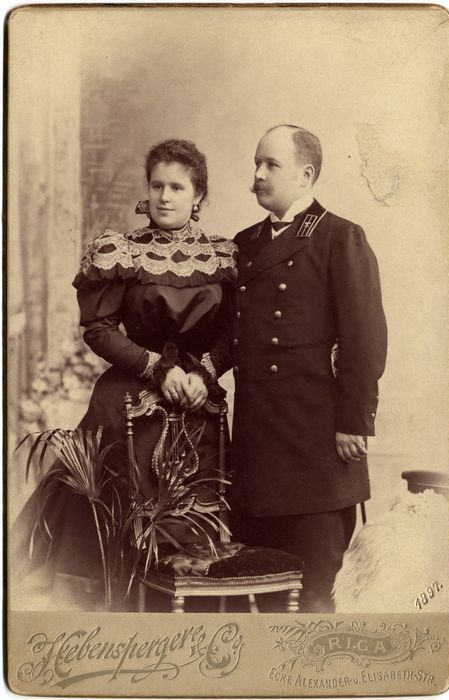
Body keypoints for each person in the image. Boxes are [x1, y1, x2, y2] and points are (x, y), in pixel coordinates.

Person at [13, 139, 236, 609]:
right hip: (130, 400)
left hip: (199, 404)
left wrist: (205, 373)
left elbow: (235, 332)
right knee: (115, 526)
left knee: (196, 527)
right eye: (157, 186)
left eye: (177, 187)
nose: (164, 197)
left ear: (199, 195)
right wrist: (155, 367)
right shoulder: (121, 251)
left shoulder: (222, 256)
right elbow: (98, 328)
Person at [205, 124, 387, 612]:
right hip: (258, 449)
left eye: (272, 165)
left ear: (305, 175)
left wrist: (354, 421)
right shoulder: (245, 242)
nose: (259, 174)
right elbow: (230, 337)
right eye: (257, 164)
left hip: (317, 451)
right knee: (263, 598)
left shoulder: (339, 236)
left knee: (311, 598)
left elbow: (364, 339)